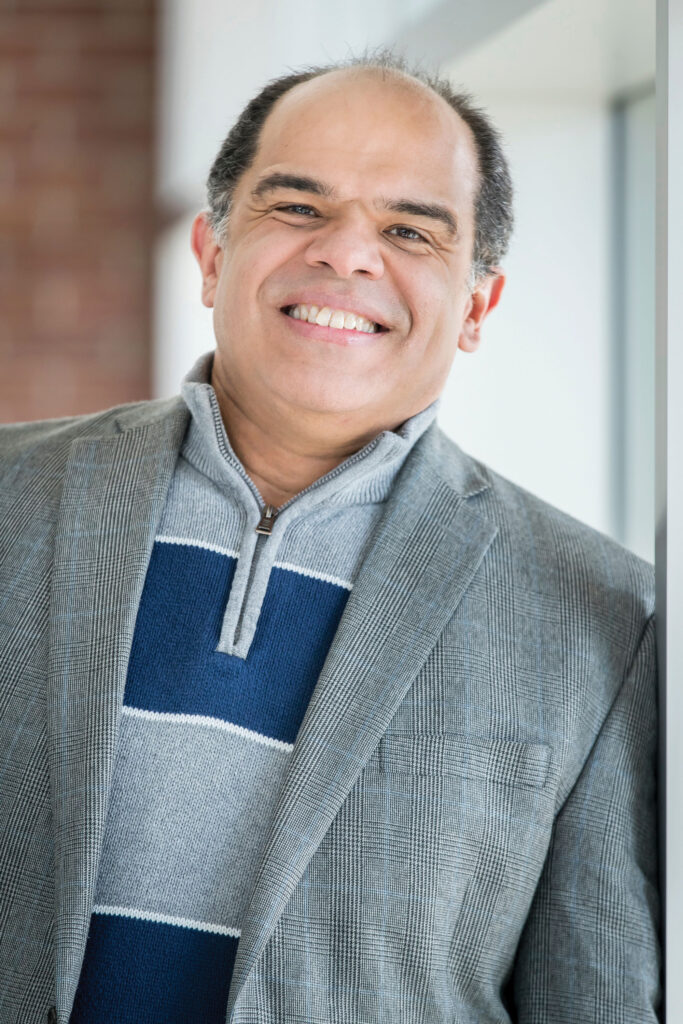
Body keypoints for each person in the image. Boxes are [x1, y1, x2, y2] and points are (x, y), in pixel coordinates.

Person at [0, 53, 659, 1024]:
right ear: (211, 255)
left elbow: (590, 1000)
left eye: (408, 229)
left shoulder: (607, 617)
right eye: (297, 207)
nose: (347, 255)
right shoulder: (15, 498)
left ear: (475, 307)